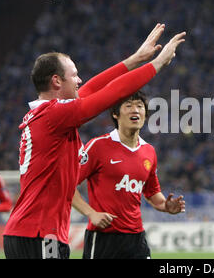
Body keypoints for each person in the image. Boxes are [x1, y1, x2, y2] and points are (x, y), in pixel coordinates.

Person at [3, 24, 186, 259]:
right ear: (57, 82)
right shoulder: (55, 115)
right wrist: (157, 63)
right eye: (74, 75)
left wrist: (135, 59)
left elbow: (94, 87)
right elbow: (111, 93)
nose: (79, 80)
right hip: (39, 234)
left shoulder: (47, 114)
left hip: (29, 232)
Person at [72, 90, 185, 259]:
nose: (135, 110)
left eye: (140, 106)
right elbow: (66, 185)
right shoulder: (98, 146)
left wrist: (166, 206)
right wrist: (91, 213)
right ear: (115, 114)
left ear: (145, 115)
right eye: (129, 105)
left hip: (136, 239)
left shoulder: (149, 152)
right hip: (103, 238)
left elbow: (152, 193)